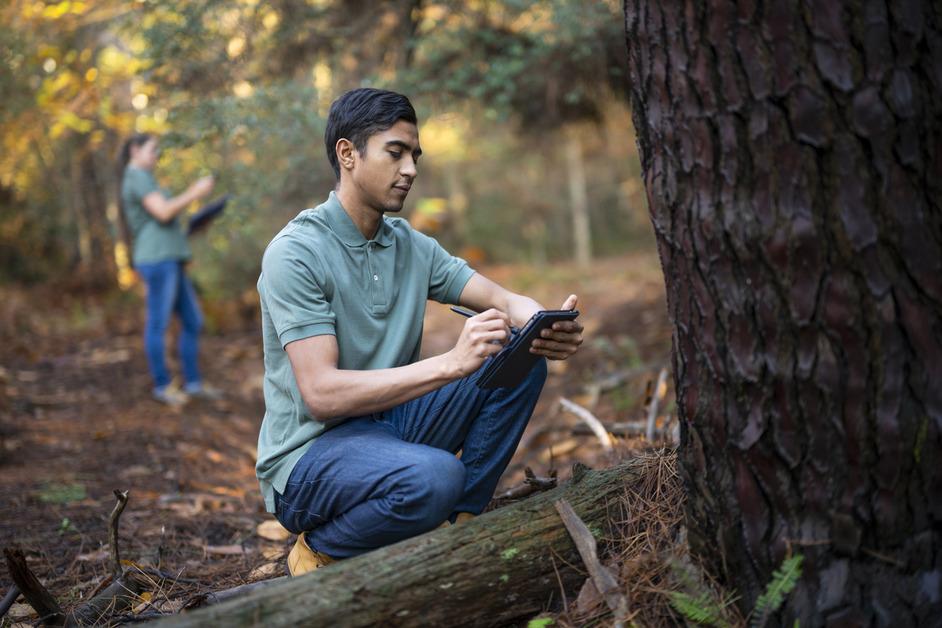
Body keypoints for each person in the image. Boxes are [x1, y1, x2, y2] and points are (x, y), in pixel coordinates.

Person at [256, 88, 585, 576]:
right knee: (435, 475)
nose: (410, 168)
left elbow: (504, 300)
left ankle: (459, 526)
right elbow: (322, 394)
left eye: (415, 156)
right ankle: (321, 548)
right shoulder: (296, 253)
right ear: (348, 154)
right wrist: (452, 363)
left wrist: (540, 323)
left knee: (518, 355)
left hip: (389, 427)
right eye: (395, 153)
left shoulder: (408, 244)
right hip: (309, 458)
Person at [118, 133, 220, 406]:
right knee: (158, 324)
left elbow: (163, 220)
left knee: (193, 321)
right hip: (157, 260)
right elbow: (163, 212)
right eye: (152, 150)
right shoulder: (136, 176)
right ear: (134, 149)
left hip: (170, 258)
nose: (156, 155)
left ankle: (194, 383)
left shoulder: (146, 178)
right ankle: (163, 386)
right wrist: (195, 193)